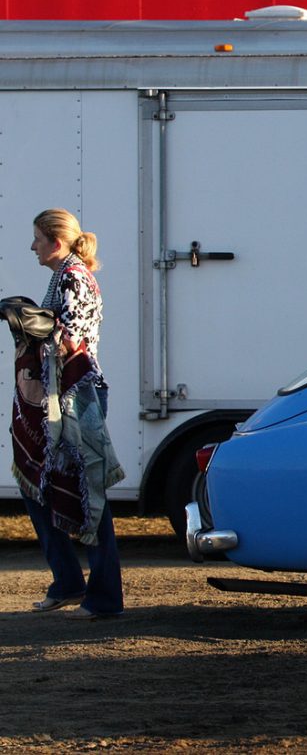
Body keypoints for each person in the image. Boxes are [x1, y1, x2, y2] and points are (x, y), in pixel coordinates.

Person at [12, 209, 124, 619]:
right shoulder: (63, 274)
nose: (32, 246)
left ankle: (105, 598)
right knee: (37, 487)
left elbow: (68, 340)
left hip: (76, 399)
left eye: (37, 238)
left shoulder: (74, 276)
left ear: (55, 240)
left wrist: (33, 324)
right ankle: (68, 581)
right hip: (55, 400)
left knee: (87, 492)